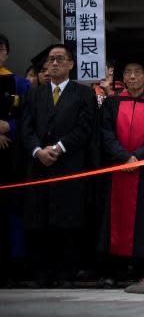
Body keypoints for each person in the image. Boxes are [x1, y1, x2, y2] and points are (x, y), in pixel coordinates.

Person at [20, 44, 97, 287]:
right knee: (39, 220)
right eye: (51, 60)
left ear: (71, 64)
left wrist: (59, 147)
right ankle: (42, 273)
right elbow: (26, 127)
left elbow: (85, 128)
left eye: (60, 59)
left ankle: (68, 272)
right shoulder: (35, 94)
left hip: (70, 164)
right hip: (39, 165)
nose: (54, 63)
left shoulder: (83, 94)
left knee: (69, 220)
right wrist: (37, 150)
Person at [98, 58, 144, 285]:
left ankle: (140, 267)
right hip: (117, 169)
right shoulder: (112, 103)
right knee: (114, 217)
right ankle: (115, 268)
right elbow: (106, 132)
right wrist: (123, 157)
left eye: (138, 72)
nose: (132, 77)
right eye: (128, 72)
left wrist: (138, 157)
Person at [0, 35, 31, 286]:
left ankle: (14, 265)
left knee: (12, 212)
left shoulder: (20, 84)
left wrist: (9, 126)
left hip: (10, 157)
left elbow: (30, 119)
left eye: (0, 49)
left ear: (7, 53)